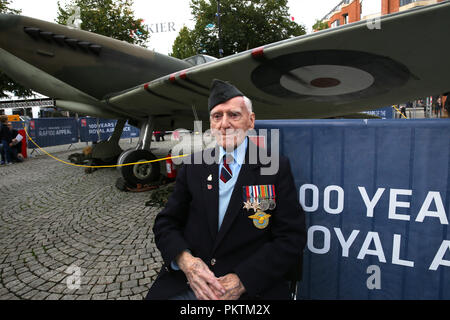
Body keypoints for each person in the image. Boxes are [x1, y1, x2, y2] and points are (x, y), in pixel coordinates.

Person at [145, 79, 306, 300]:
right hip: (191, 284)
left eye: (234, 115)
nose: (224, 124)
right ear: (210, 124)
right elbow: (166, 223)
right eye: (217, 116)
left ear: (251, 121)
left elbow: (291, 237)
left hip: (250, 286)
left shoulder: (274, 168)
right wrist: (186, 262)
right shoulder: (193, 167)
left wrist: (243, 280)